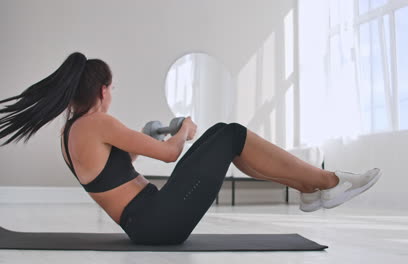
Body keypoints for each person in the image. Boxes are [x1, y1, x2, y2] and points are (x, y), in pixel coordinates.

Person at [0, 52, 382, 245]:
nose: (112, 94)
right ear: (102, 89)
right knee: (229, 133)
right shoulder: (99, 123)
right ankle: (327, 181)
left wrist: (149, 134)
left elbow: (121, 166)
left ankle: (311, 189)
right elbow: (168, 155)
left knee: (230, 136)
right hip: (158, 220)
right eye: (112, 88)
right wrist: (182, 130)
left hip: (149, 221)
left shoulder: (72, 132)